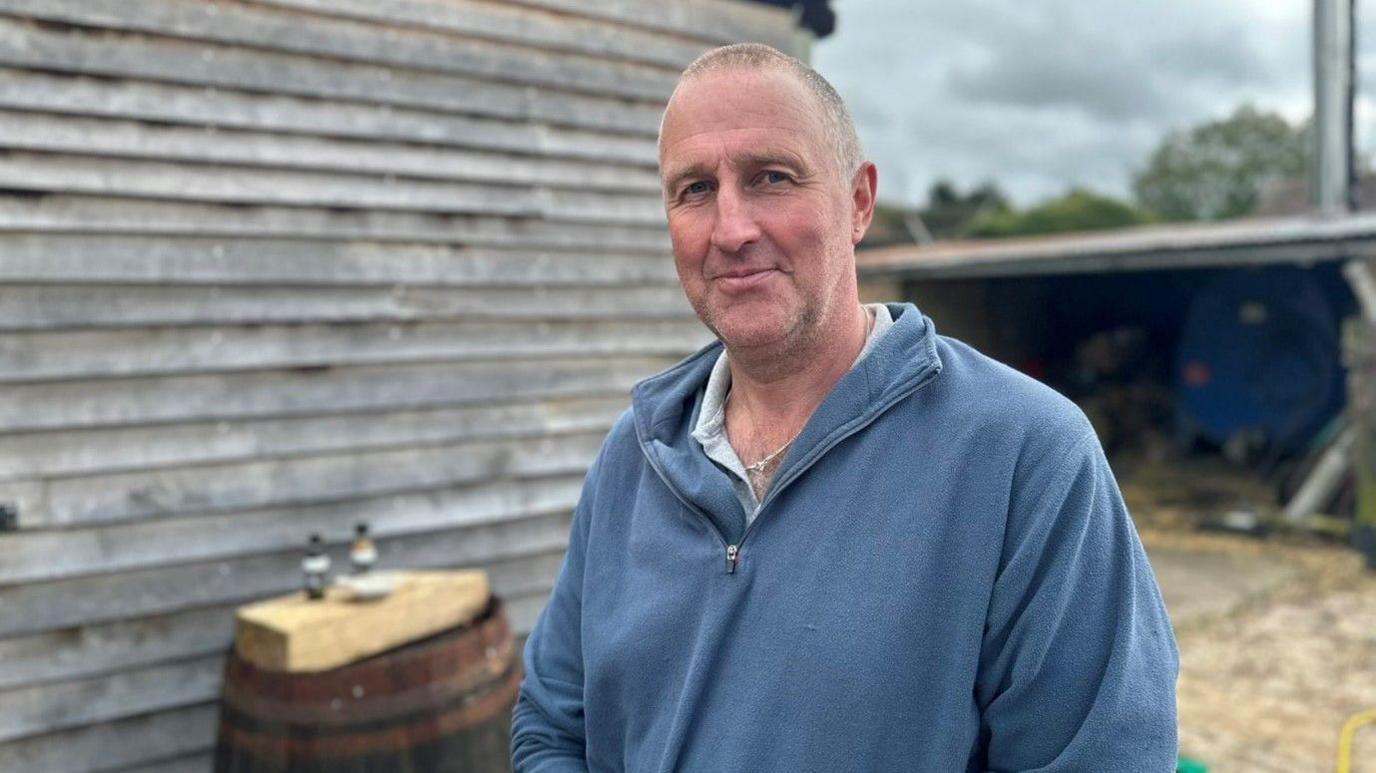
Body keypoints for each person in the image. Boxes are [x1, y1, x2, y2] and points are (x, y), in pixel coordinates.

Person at [511, 43, 1178, 772]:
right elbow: (551, 723)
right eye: (695, 189)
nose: (731, 229)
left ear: (858, 202)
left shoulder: (1025, 454)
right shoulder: (635, 456)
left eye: (771, 176)